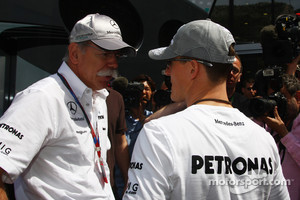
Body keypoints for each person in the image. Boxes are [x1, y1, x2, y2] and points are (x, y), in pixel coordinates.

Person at [123, 19, 289, 199]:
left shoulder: (160, 134)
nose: (168, 72)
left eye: (171, 63)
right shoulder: (263, 139)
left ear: (193, 68)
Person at [0, 13, 136, 200]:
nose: (113, 63)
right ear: (74, 54)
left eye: (117, 55)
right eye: (105, 54)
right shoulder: (42, 98)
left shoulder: (99, 97)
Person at [113, 74, 155, 199]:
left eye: (146, 89)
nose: (142, 92)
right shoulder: (120, 120)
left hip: (149, 182)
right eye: (138, 89)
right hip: (123, 184)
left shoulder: (154, 119)